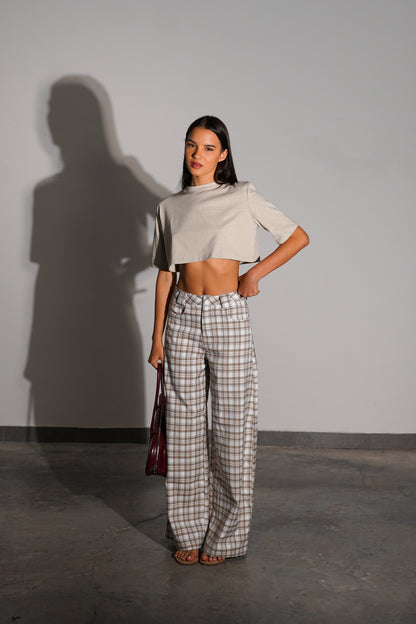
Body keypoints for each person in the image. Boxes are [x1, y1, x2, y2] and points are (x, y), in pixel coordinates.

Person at [148, 115, 309, 566]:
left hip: (227, 315)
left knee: (232, 428)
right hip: (182, 317)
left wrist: (254, 274)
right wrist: (157, 337)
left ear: (223, 155)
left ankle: (225, 537)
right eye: (191, 145)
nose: (197, 155)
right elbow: (165, 275)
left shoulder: (242, 195)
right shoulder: (170, 206)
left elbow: (297, 237)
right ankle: (187, 532)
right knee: (183, 431)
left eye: (207, 147)